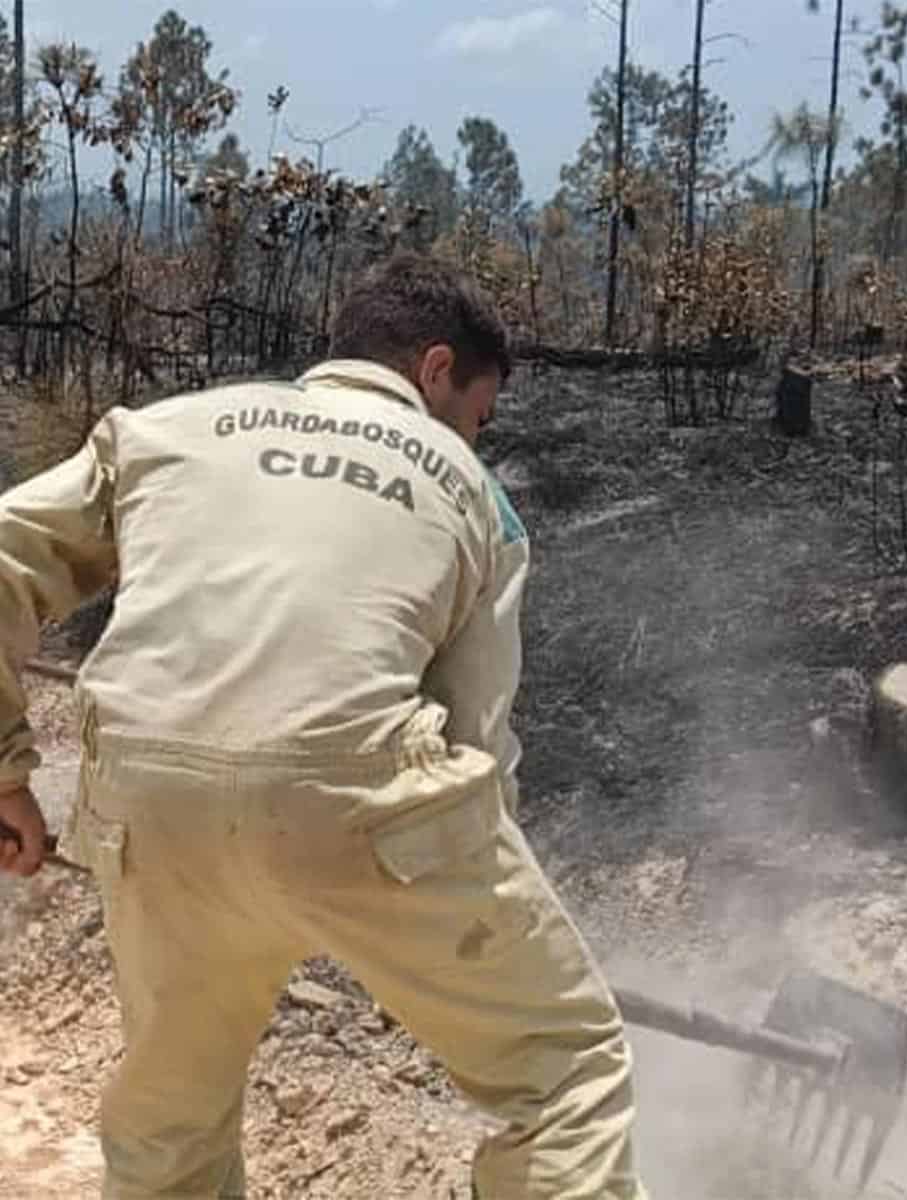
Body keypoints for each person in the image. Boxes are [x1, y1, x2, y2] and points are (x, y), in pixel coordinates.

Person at [0, 253, 647, 1198]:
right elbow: (474, 742)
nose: (478, 433)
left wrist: (6, 771)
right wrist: (435, 930)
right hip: (361, 804)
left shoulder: (162, 429)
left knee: (171, 1131)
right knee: (568, 1074)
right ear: (434, 371)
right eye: (480, 409)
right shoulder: (473, 491)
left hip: (150, 813)